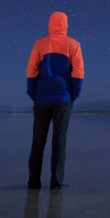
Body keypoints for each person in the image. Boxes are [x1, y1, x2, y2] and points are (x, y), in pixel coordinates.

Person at [26, 11, 84, 189]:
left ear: (50, 23)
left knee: (38, 141)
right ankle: (56, 182)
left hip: (42, 99)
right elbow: (78, 72)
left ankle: (34, 182)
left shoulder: (40, 43)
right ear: (66, 24)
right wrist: (73, 95)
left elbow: (32, 70)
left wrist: (33, 92)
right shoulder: (73, 44)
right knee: (59, 141)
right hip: (63, 99)